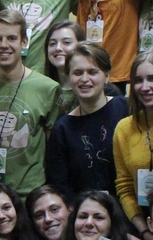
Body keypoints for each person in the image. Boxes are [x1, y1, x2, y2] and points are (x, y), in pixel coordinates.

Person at [0, 10, 60, 195]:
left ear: (24, 42)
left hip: (31, 195)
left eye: (11, 38)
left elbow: (54, 154)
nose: (4, 45)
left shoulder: (47, 89)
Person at [47, 42, 128, 195]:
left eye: (92, 72)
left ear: (107, 75)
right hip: (83, 209)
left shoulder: (125, 109)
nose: (84, 79)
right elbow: (60, 185)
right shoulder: (62, 129)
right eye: (77, 73)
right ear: (69, 77)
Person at [112, 49, 153, 240]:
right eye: (138, 80)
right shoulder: (124, 128)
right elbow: (124, 187)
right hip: (142, 228)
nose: (145, 87)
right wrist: (145, 231)